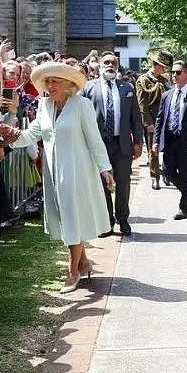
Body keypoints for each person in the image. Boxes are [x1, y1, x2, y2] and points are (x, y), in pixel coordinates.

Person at [10, 62, 114, 292]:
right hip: (53, 172)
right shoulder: (44, 105)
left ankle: (73, 271)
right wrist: (10, 136)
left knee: (71, 216)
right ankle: (84, 261)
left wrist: (104, 168)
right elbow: (33, 133)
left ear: (68, 84)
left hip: (77, 171)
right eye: (47, 81)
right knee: (65, 215)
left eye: (54, 80)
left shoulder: (82, 105)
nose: (50, 85)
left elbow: (94, 139)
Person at [81, 52, 145, 238]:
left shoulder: (127, 88)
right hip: (98, 145)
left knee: (123, 184)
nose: (110, 65)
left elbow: (136, 118)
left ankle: (123, 220)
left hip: (122, 145)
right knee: (102, 185)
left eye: (113, 63)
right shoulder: (88, 88)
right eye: (106, 62)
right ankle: (106, 222)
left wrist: (138, 142)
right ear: (100, 66)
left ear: (117, 66)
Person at [153, 61, 187, 220]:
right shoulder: (166, 95)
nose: (174, 75)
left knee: (185, 173)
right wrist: (156, 140)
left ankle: (185, 208)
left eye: (178, 72)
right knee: (168, 171)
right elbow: (160, 119)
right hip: (170, 139)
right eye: (173, 72)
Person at [136, 49, 172, 190]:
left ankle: (167, 173)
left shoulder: (164, 80)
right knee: (154, 150)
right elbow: (142, 104)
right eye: (162, 66)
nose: (164, 69)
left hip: (166, 119)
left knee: (168, 148)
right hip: (152, 120)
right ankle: (154, 176)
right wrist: (148, 123)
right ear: (156, 64)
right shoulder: (143, 80)